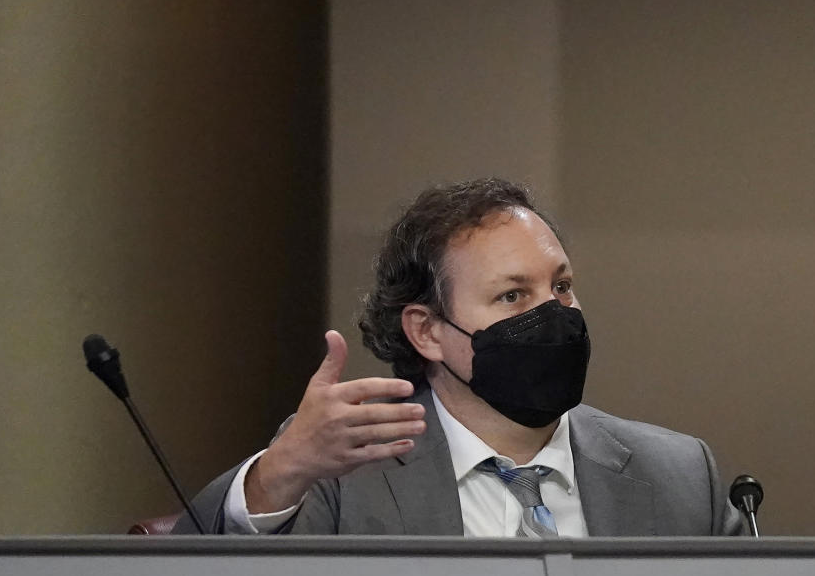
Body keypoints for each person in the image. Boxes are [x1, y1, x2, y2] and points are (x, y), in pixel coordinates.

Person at [174, 178, 743, 536]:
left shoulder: (681, 476)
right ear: (426, 332)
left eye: (562, 287)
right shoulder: (344, 476)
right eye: (513, 296)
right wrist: (280, 472)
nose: (555, 314)